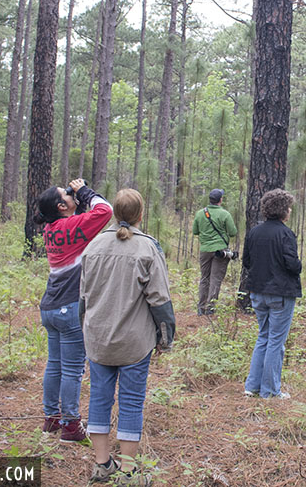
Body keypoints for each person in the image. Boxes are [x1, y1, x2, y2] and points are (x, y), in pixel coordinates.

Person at [79, 189, 175, 486]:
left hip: (98, 338)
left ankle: (101, 465)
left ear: (113, 213)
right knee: (131, 402)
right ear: (141, 215)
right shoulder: (147, 249)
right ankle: (129, 471)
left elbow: (83, 298)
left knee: (99, 397)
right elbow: (159, 298)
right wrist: (166, 337)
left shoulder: (93, 246)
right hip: (134, 341)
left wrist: (86, 329)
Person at [33, 178, 112, 442]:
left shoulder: (50, 228)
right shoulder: (71, 225)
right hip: (69, 307)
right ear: (61, 206)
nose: (70, 195)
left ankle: (51, 418)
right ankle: (70, 425)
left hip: (50, 306)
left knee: (54, 365)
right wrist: (84, 192)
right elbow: (105, 211)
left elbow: (80, 219)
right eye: (64, 195)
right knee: (73, 370)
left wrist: (75, 199)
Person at [242, 189, 301, 399]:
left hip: (257, 292)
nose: (290, 210)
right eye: (289, 207)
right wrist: (298, 265)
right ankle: (270, 391)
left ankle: (252, 386)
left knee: (264, 337)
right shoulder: (286, 234)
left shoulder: (254, 232)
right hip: (280, 293)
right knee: (276, 341)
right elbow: (292, 264)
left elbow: (247, 262)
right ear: (283, 209)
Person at [191, 189, 237, 315]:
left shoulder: (200, 213)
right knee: (215, 278)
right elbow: (233, 232)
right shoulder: (225, 214)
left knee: (204, 278)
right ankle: (211, 308)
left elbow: (195, 231)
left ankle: (201, 308)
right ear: (220, 200)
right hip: (220, 251)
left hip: (205, 250)